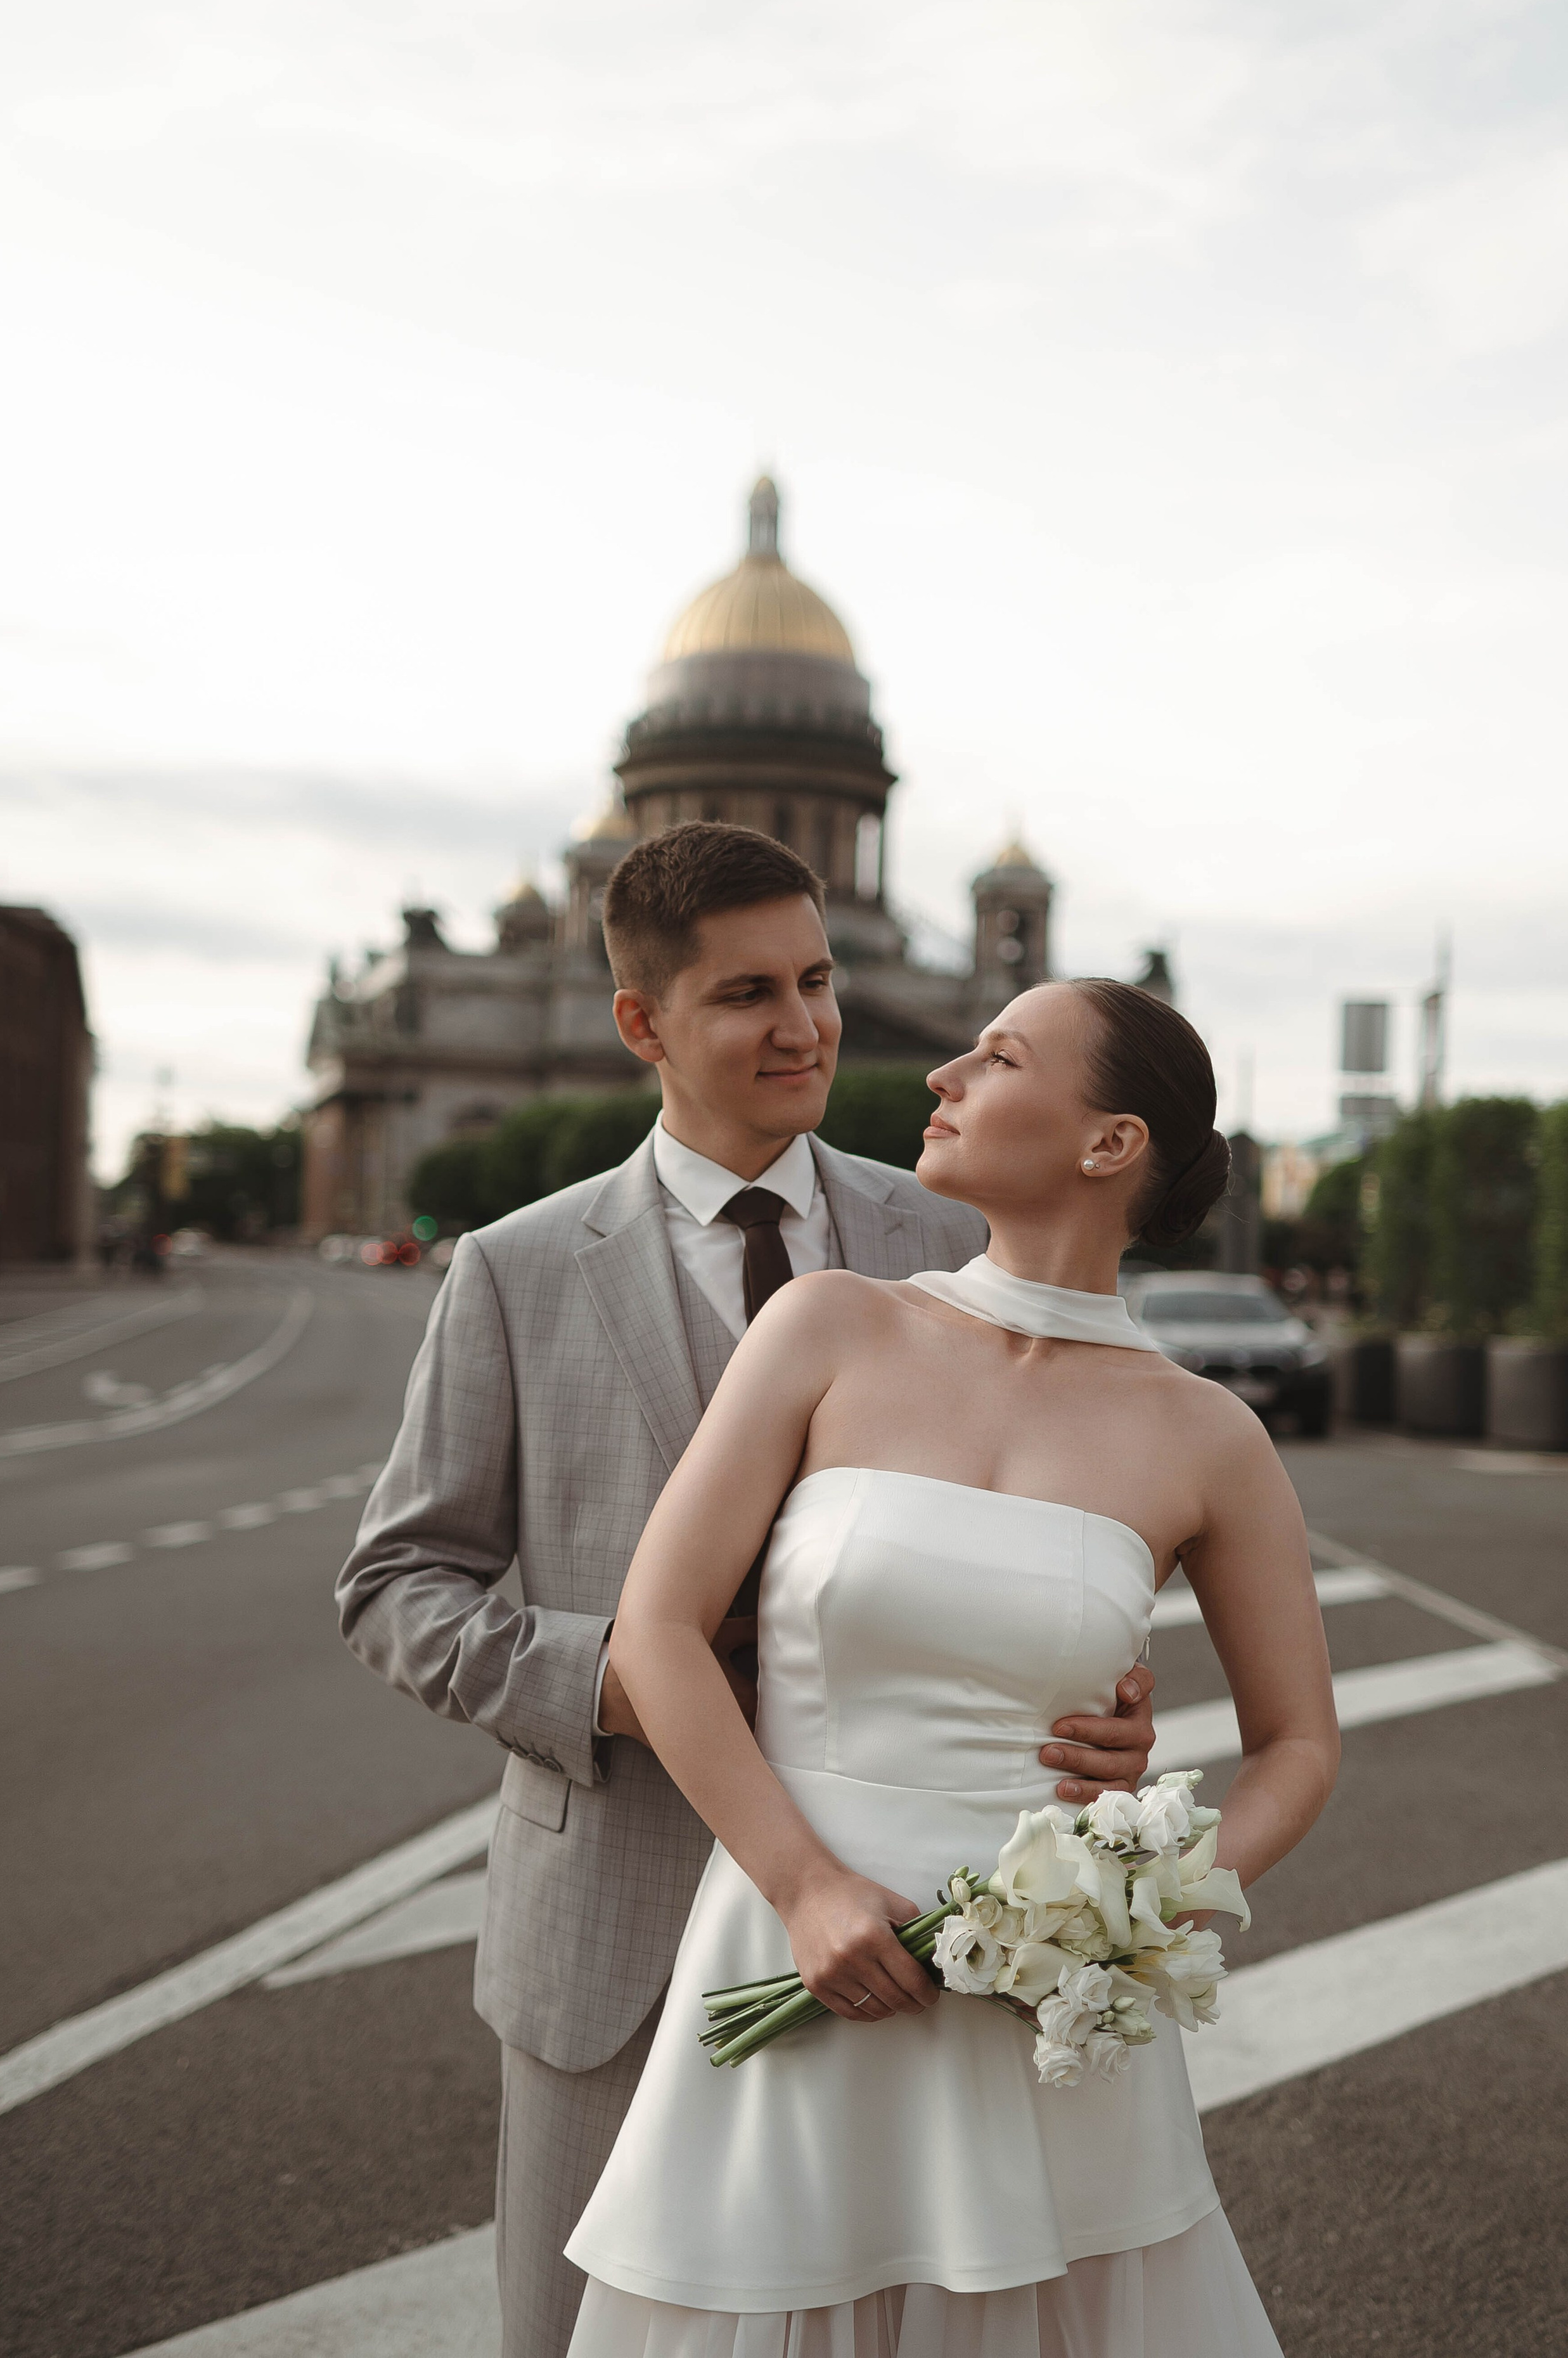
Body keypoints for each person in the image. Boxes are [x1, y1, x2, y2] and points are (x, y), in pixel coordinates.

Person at [337, 824, 1160, 2358]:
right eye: (746, 996)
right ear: (640, 1023)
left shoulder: (950, 1232)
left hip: (920, 1922)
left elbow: (1079, 1514)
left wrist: (1106, 1699)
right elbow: (396, 1581)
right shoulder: (514, 1269)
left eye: (820, 978)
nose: (806, 1028)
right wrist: (610, 1678)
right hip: (619, 1934)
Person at [565, 974, 1341, 2358]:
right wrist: (801, 1890)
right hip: (792, 1951)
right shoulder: (826, 1326)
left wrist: (1145, 1903)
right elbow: (656, 1630)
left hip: (1045, 2014)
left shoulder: (1207, 1434)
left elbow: (1298, 1744)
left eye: (993, 1058)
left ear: (1106, 1143)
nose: (940, 1079)